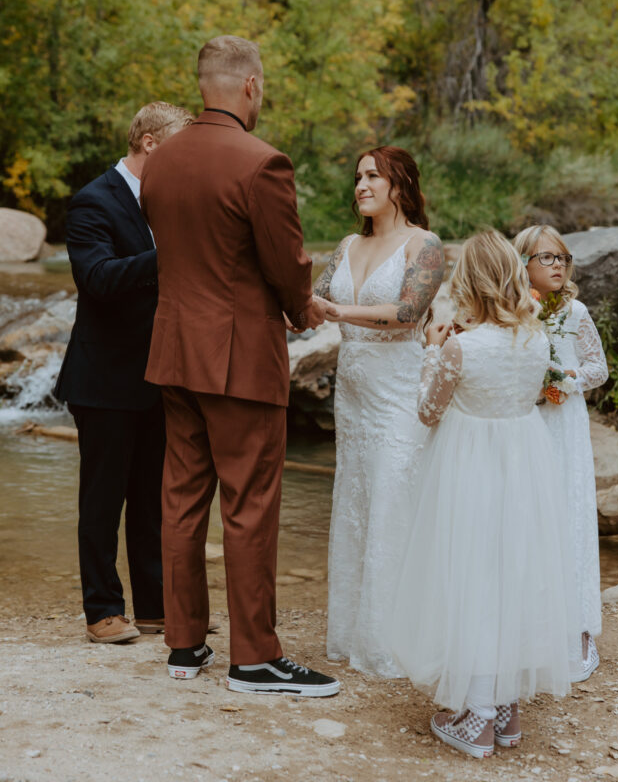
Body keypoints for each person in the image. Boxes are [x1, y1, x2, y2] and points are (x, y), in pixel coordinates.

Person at [140, 34, 339, 696]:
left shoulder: (159, 162)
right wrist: (300, 308)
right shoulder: (263, 163)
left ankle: (184, 642)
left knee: (181, 499)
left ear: (203, 84)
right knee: (250, 504)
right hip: (239, 360)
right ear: (250, 85)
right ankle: (254, 657)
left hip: (172, 352)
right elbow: (286, 263)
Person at [391, 230, 578, 759]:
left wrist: (432, 351)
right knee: (512, 575)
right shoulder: (535, 338)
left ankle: (475, 717)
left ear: (469, 282)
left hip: (470, 467)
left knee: (471, 575)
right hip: (523, 464)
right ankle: (506, 711)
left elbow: (428, 413)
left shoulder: (459, 346)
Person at [55, 102, 194, 643]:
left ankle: (156, 607)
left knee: (154, 500)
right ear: (152, 143)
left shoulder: (174, 201)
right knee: (102, 499)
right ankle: (103, 611)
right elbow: (98, 278)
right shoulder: (93, 200)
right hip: (104, 377)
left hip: (163, 374)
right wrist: (169, 255)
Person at [315, 146, 445, 677]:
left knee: (394, 500)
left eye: (372, 176)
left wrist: (339, 311)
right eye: (358, 177)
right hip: (353, 396)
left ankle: (396, 640)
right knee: (356, 500)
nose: (361, 186)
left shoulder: (425, 245)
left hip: (397, 393)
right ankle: (353, 634)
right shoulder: (348, 244)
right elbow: (314, 299)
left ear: (400, 184)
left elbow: (408, 311)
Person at [514, 224, 608, 682]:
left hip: (564, 424)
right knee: (530, 520)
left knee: (570, 517)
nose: (556, 266)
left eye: (562, 259)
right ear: (523, 263)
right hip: (525, 425)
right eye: (546, 258)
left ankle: (582, 630)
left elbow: (599, 368)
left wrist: (564, 381)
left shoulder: (576, 311)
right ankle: (533, 628)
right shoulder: (514, 313)